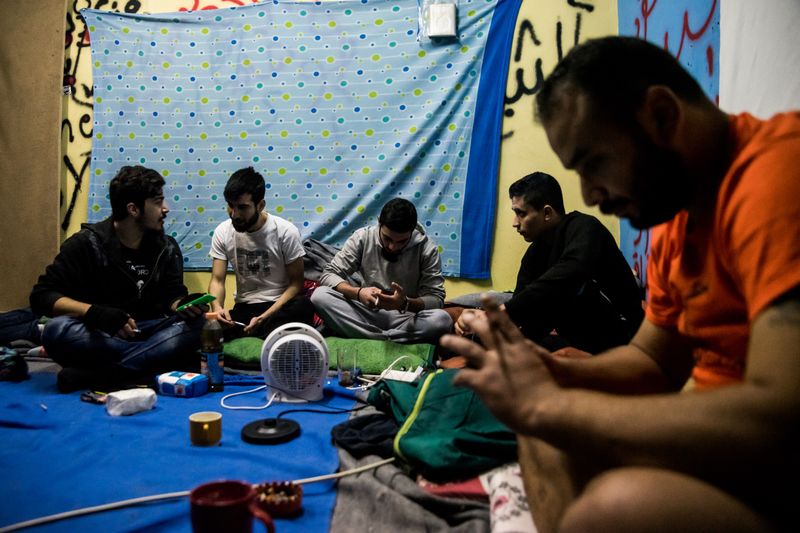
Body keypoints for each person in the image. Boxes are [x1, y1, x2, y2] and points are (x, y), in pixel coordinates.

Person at [441, 36, 800, 532]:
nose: (590, 194)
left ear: (662, 115)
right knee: (541, 425)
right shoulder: (679, 222)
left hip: (774, 464)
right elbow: (654, 360)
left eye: (594, 164)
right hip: (723, 449)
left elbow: (782, 417)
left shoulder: (778, 176)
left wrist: (558, 405)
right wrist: (546, 375)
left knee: (611, 504)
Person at [30, 166, 208, 392]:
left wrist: (183, 305)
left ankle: (103, 375)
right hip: (102, 335)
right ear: (133, 209)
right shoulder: (86, 244)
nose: (165, 209)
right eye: (157, 202)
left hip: (151, 330)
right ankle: (149, 364)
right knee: (56, 330)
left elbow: (171, 295)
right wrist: (93, 312)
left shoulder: (167, 247)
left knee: (202, 324)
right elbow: (42, 296)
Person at [455, 171, 643, 354]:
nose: (515, 222)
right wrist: (480, 331)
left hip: (625, 337)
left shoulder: (586, 228)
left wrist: (502, 313)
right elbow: (525, 311)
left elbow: (568, 276)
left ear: (546, 213)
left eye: (521, 213)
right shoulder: (534, 254)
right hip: (577, 341)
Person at [311, 198, 452, 343]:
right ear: (379, 222)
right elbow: (329, 274)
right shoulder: (363, 237)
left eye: (401, 241)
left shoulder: (427, 249)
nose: (392, 247)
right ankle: (388, 339)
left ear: (412, 231)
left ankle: (367, 336)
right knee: (319, 296)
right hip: (366, 311)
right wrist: (358, 293)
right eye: (387, 238)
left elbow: (436, 299)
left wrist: (404, 303)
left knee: (442, 320)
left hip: (405, 317)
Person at [208, 167, 314, 339]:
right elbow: (217, 280)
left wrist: (265, 316)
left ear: (260, 205)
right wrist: (217, 310)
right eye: (230, 206)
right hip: (245, 307)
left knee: (304, 306)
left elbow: (296, 284)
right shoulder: (222, 231)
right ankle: (264, 331)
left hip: (279, 305)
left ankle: (265, 329)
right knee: (204, 327)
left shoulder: (285, 232)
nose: (234, 214)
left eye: (242, 207)